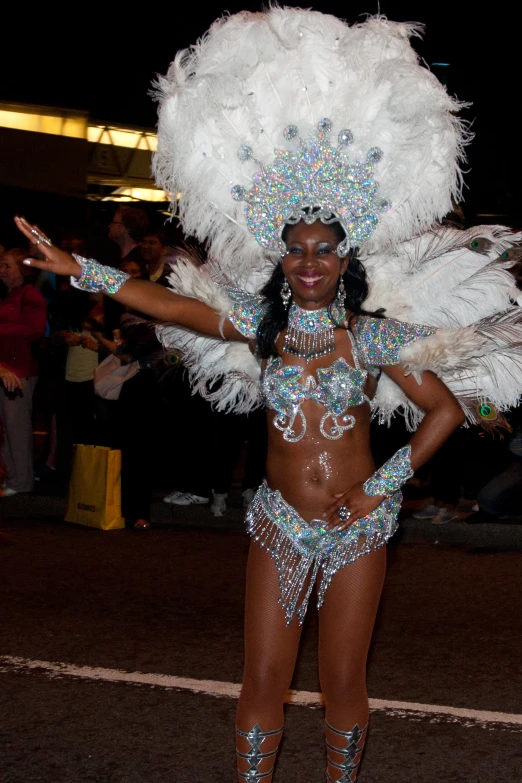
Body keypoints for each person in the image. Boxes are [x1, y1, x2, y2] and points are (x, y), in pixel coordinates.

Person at [14, 9, 522, 781]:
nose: (309, 262)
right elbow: (174, 307)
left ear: (343, 256)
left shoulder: (370, 335)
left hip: (357, 525)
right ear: (279, 259)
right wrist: (79, 268)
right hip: (280, 521)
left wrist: (380, 489)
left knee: (345, 681)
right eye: (296, 251)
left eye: (323, 250)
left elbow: (445, 409)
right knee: (263, 679)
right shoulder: (258, 324)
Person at [0, 248, 47, 494]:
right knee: (8, 428)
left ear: (22, 269)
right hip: (6, 368)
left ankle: (22, 482)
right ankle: (12, 479)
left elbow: (35, 330)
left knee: (16, 428)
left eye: (8, 266)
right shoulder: (9, 295)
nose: (2, 271)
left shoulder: (29, 295)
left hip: (19, 371)